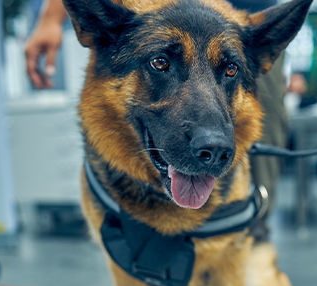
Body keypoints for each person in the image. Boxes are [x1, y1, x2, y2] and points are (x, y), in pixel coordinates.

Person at [25, 0, 287, 241]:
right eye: (162, 63)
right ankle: (137, 243)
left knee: (265, 125)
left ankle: (252, 234)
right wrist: (50, 18)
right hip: (154, 14)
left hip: (245, 16)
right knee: (117, 129)